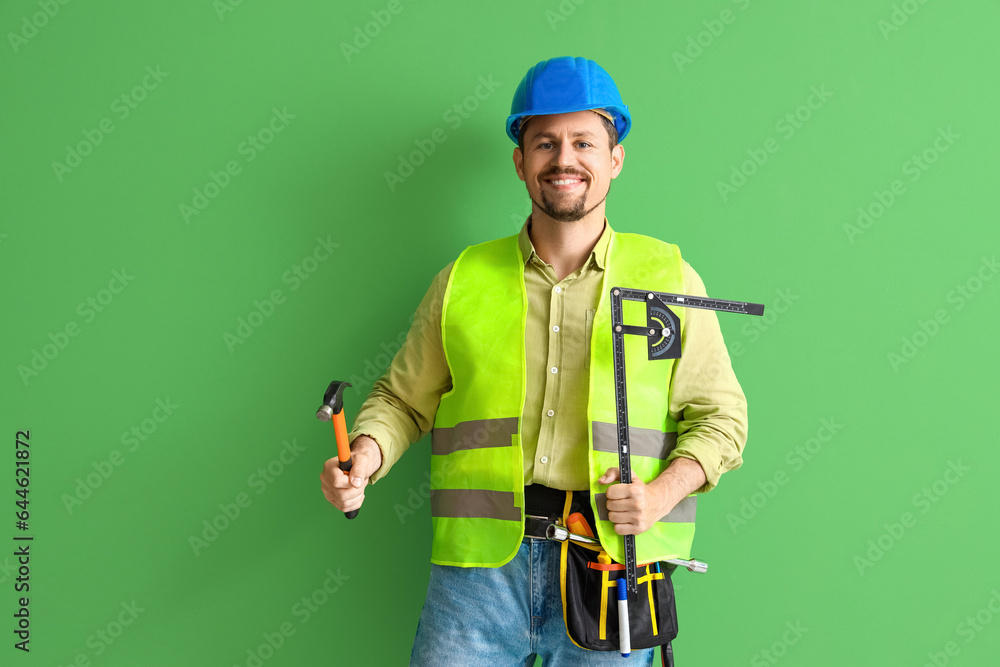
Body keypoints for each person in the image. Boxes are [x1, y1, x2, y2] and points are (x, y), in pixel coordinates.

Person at [320, 56, 748, 666]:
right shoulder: (463, 280)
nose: (564, 158)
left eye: (583, 142)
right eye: (544, 142)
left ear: (614, 160)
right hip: (476, 580)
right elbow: (401, 401)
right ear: (521, 162)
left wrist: (657, 496)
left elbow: (722, 419)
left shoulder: (668, 280)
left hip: (610, 572)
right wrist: (364, 455)